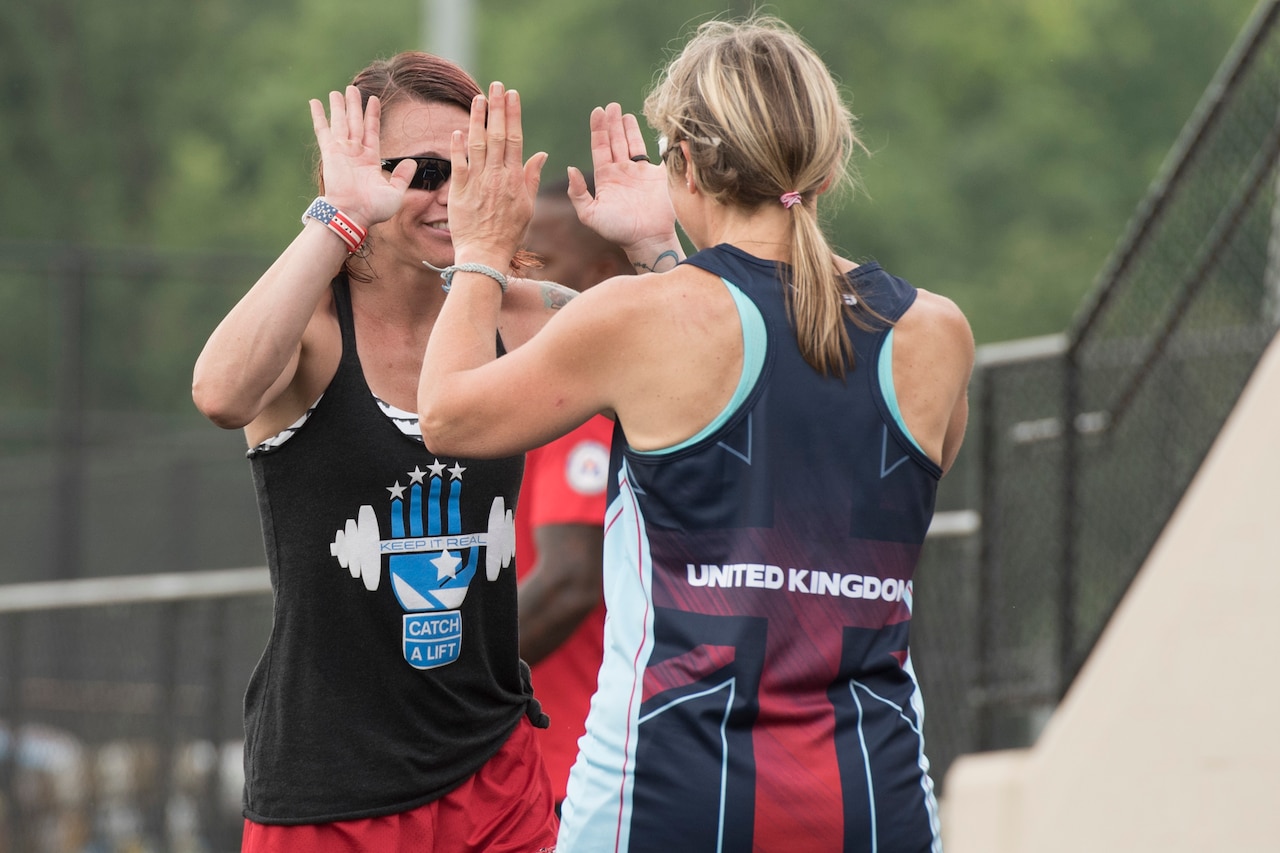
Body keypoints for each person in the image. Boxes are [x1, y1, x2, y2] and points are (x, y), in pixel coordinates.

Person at [419, 15, 974, 853]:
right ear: (826, 163)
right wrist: (659, 252)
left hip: (674, 790)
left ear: (682, 164)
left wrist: (481, 250)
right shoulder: (939, 334)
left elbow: (449, 414)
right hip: (875, 796)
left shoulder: (640, 320)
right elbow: (786, 399)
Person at [190, 51, 673, 852]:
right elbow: (220, 392)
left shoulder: (517, 316)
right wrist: (338, 214)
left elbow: (704, 357)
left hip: (495, 775)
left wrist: (655, 243)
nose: (450, 195)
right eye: (421, 170)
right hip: (327, 790)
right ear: (359, 171)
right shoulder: (311, 327)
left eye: (470, 168)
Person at [515, 178, 634, 812]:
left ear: (598, 275)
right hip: (538, 766)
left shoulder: (581, 404)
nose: (516, 279)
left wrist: (436, 686)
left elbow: (568, 581)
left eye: (537, 262)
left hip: (571, 767)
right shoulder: (524, 392)